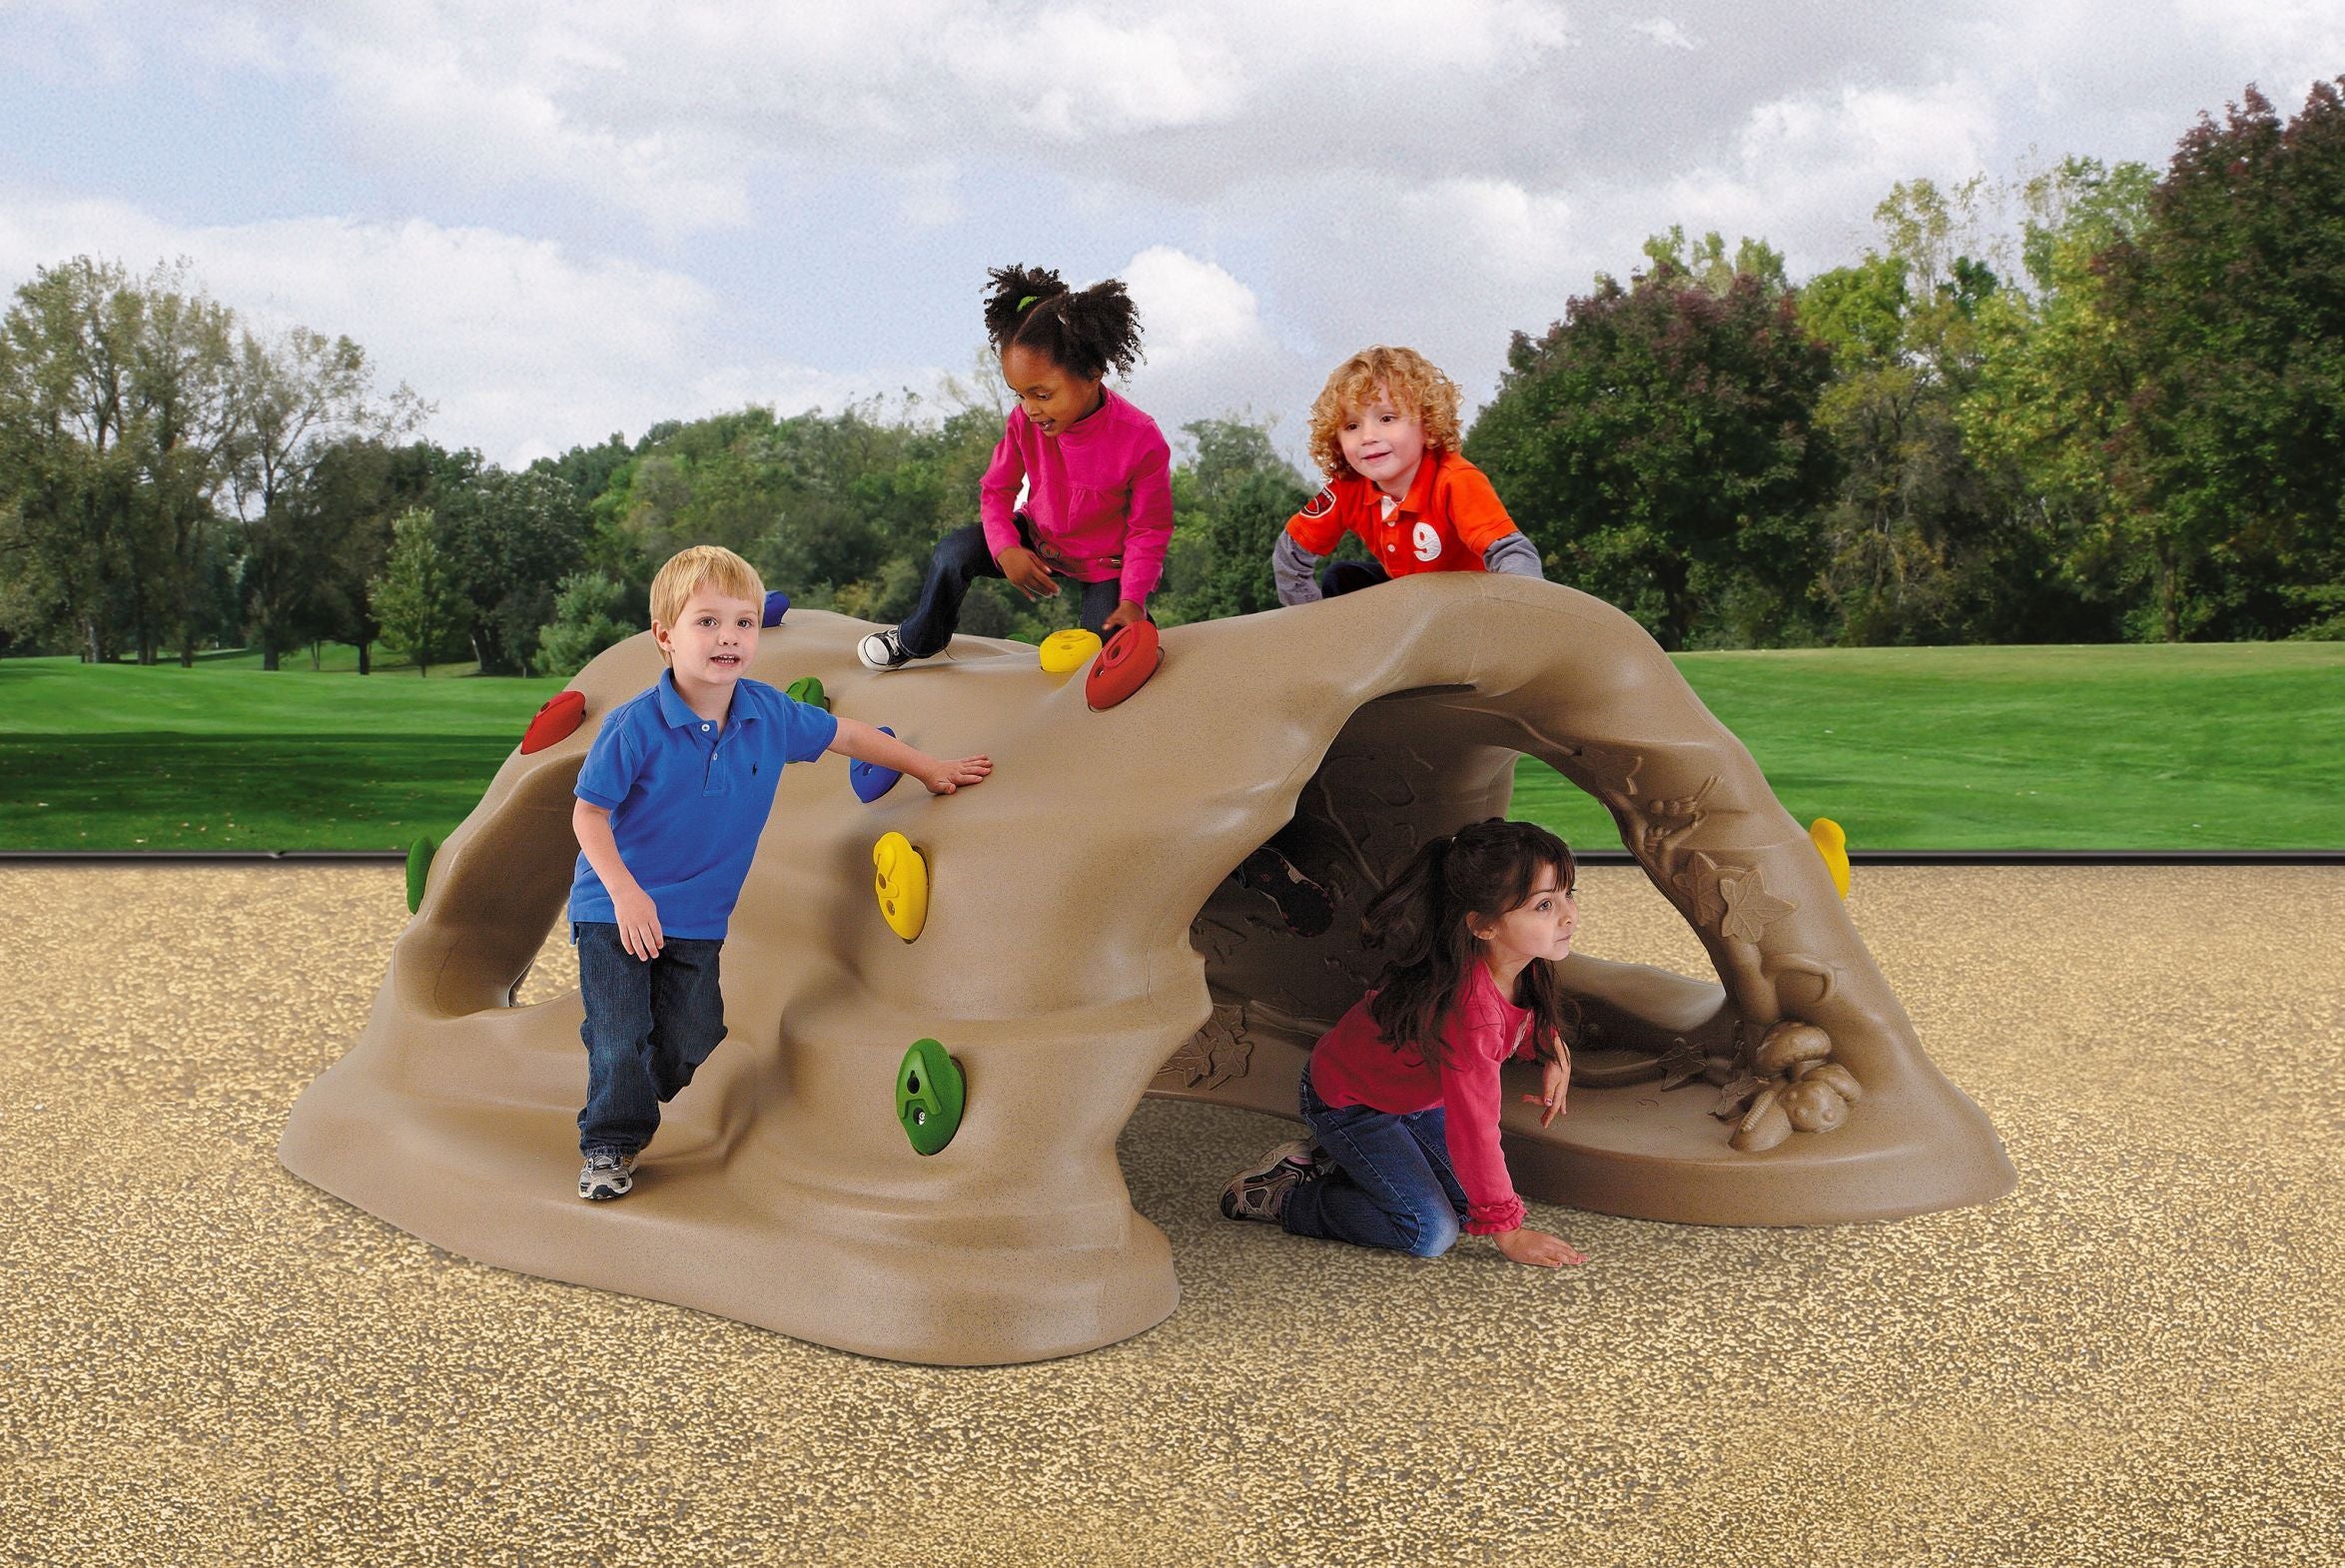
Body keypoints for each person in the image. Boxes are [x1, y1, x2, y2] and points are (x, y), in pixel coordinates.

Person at [571, 544, 992, 1200]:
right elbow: (588, 816)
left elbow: (849, 737)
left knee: (694, 1034)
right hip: (615, 906)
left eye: (742, 623)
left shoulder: (767, 715)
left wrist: (927, 767)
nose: (728, 637)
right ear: (665, 636)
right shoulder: (636, 728)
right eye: (706, 622)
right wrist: (625, 894)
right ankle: (609, 1141)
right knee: (623, 1033)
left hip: (698, 917)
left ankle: (620, 1078)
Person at [1220, 819, 1590, 1268]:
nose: (1569, 914)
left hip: (1414, 1098)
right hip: (1351, 1103)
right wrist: (1508, 1234)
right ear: (1484, 926)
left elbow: (1529, 1015)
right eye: (1545, 905)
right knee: (1430, 1231)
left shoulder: (1517, 964)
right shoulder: (1470, 1015)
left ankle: (1340, 1162)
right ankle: (1283, 1196)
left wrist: (1553, 1052)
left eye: (1568, 894)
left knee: (1469, 1204)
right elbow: (1474, 1131)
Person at [860, 264, 1174, 669]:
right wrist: (1007, 548)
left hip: (1106, 564)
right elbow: (997, 490)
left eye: (1042, 394)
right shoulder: (1024, 421)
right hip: (1039, 538)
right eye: (1020, 394)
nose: (1029, 409)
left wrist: (1132, 598)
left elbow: (1149, 529)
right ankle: (919, 637)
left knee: (1109, 649)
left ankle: (1137, 626)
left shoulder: (1140, 437)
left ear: (1093, 372)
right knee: (953, 552)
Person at [1270, 345, 1544, 604]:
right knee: (1342, 577)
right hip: (1411, 604)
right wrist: (1308, 624)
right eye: (1352, 425)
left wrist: (1516, 621)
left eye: (1387, 418)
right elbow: (1290, 555)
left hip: (1469, 604)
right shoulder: (1347, 488)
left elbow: (1512, 553)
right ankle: (1352, 649)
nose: (1368, 437)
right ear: (1336, 439)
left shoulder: (1455, 479)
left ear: (1427, 425)